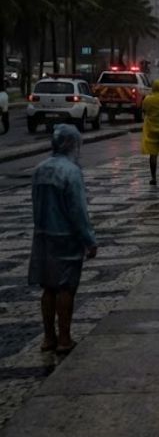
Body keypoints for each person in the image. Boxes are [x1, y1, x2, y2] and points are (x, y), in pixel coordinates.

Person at [28, 125, 98, 356]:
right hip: (66, 237)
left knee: (47, 287)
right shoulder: (71, 172)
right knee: (66, 287)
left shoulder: (39, 169)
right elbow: (78, 210)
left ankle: (49, 338)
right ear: (71, 144)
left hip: (42, 236)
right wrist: (89, 239)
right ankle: (65, 338)